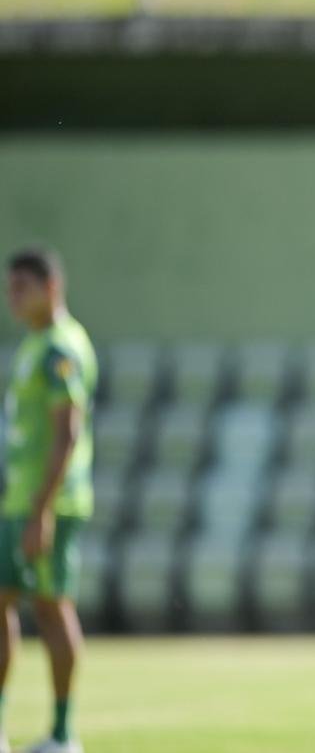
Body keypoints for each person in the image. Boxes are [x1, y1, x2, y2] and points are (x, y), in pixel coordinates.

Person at [0, 249, 97, 753]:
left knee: (52, 608)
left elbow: (67, 433)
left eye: (22, 287)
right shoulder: (33, 346)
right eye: (10, 286)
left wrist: (41, 507)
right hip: (18, 499)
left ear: (51, 288)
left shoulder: (61, 348)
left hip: (52, 503)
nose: (12, 296)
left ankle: (63, 734)